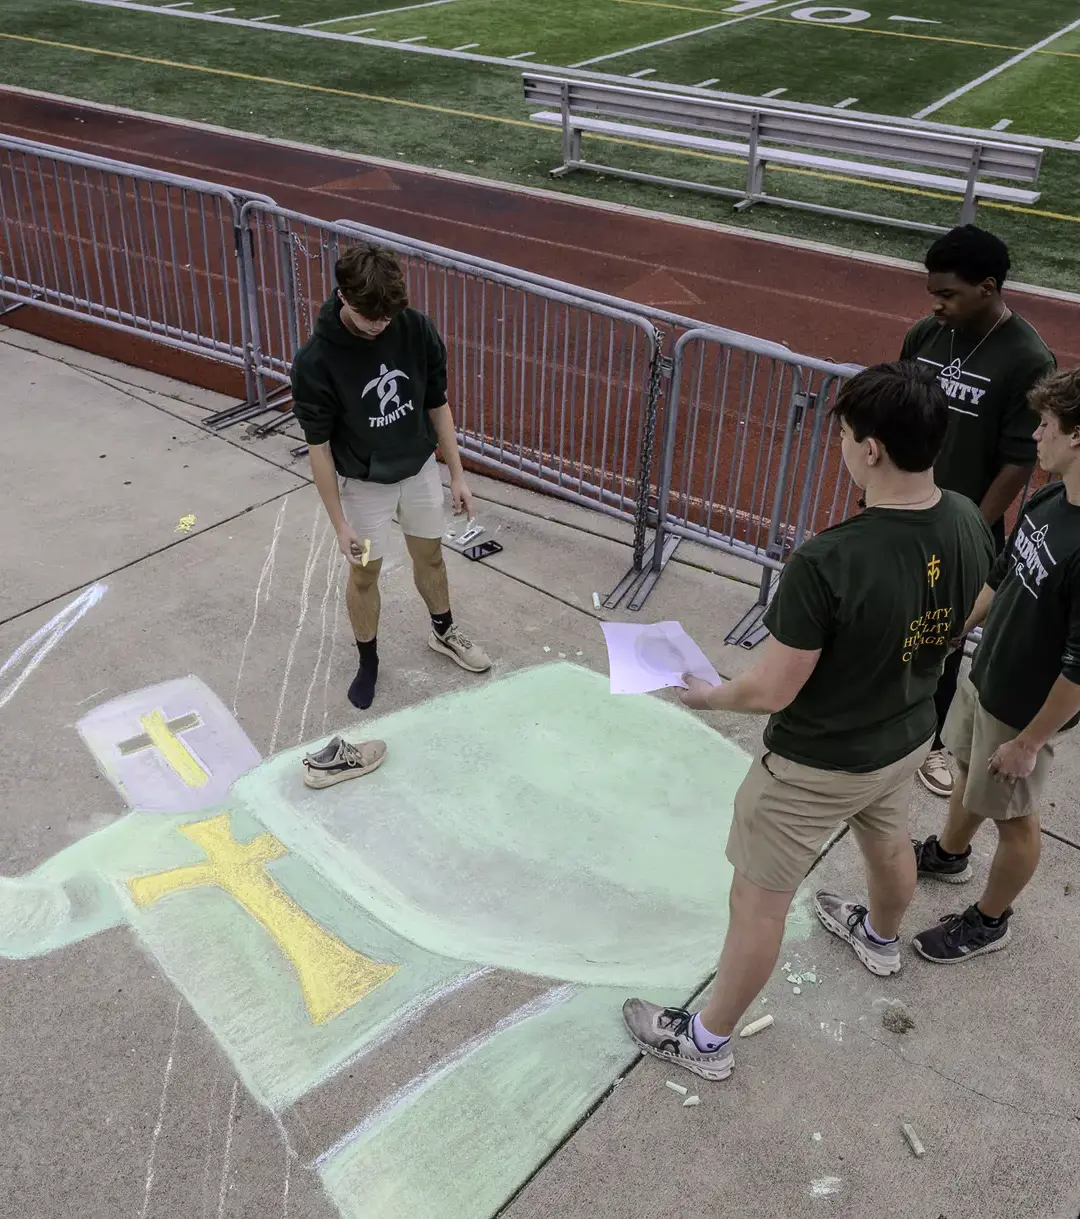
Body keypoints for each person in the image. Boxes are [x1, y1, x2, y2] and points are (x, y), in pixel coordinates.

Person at [622, 362, 993, 1081]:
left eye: (847, 434)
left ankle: (704, 1039)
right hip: (906, 733)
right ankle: (881, 938)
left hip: (816, 762)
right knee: (887, 843)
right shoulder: (966, 517)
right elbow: (978, 601)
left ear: (872, 449)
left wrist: (706, 692)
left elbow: (770, 689)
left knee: (757, 901)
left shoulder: (828, 561)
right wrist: (930, 647)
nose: (843, 446)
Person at [912, 367, 1080, 963]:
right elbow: (1004, 574)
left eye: (1047, 425)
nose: (1036, 436)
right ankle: (949, 855)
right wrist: (961, 628)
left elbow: (1079, 672)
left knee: (1016, 819)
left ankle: (989, 920)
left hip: (1022, 712)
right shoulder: (1054, 496)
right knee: (962, 770)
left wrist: (1031, 743)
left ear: (1077, 436)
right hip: (983, 680)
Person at [290, 244, 491, 710]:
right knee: (365, 575)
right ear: (343, 296)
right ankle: (369, 660)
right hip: (363, 485)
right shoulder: (316, 361)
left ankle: (444, 633)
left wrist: (457, 475)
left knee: (432, 558)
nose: (380, 325)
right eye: (369, 317)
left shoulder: (414, 327)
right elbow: (318, 450)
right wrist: (339, 523)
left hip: (419, 469)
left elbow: (436, 404)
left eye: (387, 317)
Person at [900, 225, 1056, 799]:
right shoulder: (925, 335)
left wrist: (967, 524)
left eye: (947, 295)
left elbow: (1018, 462)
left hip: (960, 528)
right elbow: (900, 415)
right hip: (901, 513)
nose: (935, 306)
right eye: (932, 294)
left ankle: (933, 741)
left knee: (942, 632)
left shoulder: (1027, 358)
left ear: (988, 287)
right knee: (888, 610)